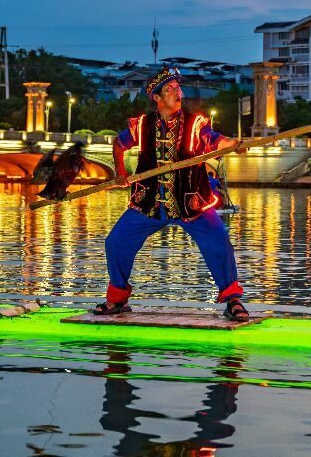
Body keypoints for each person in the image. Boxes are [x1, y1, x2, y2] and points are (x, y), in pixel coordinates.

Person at [97, 67, 249, 321]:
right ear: (156, 97)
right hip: (149, 204)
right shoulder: (142, 125)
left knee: (220, 243)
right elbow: (119, 144)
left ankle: (232, 301)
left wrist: (232, 144)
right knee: (116, 242)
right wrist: (120, 173)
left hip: (191, 203)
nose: (178, 92)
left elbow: (213, 140)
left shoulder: (194, 124)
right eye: (170, 89)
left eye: (178, 88)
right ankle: (117, 300)